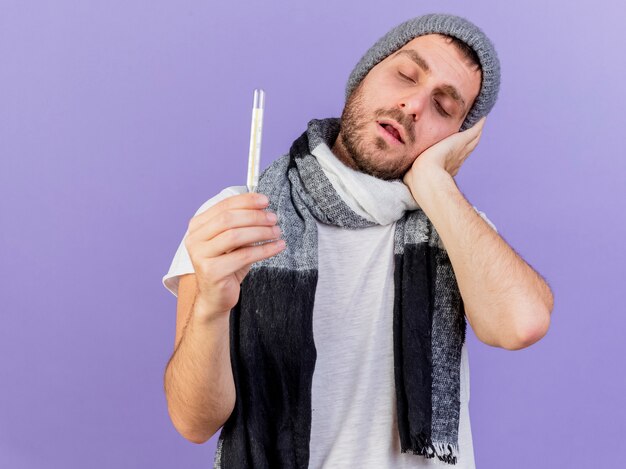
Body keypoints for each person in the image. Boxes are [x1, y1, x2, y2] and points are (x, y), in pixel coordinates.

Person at [162, 13, 554, 469]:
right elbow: (193, 421)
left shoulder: (455, 226)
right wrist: (212, 305)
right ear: (362, 78)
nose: (413, 106)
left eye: (444, 108)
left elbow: (521, 324)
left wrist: (434, 181)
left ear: (454, 140)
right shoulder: (237, 217)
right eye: (406, 75)